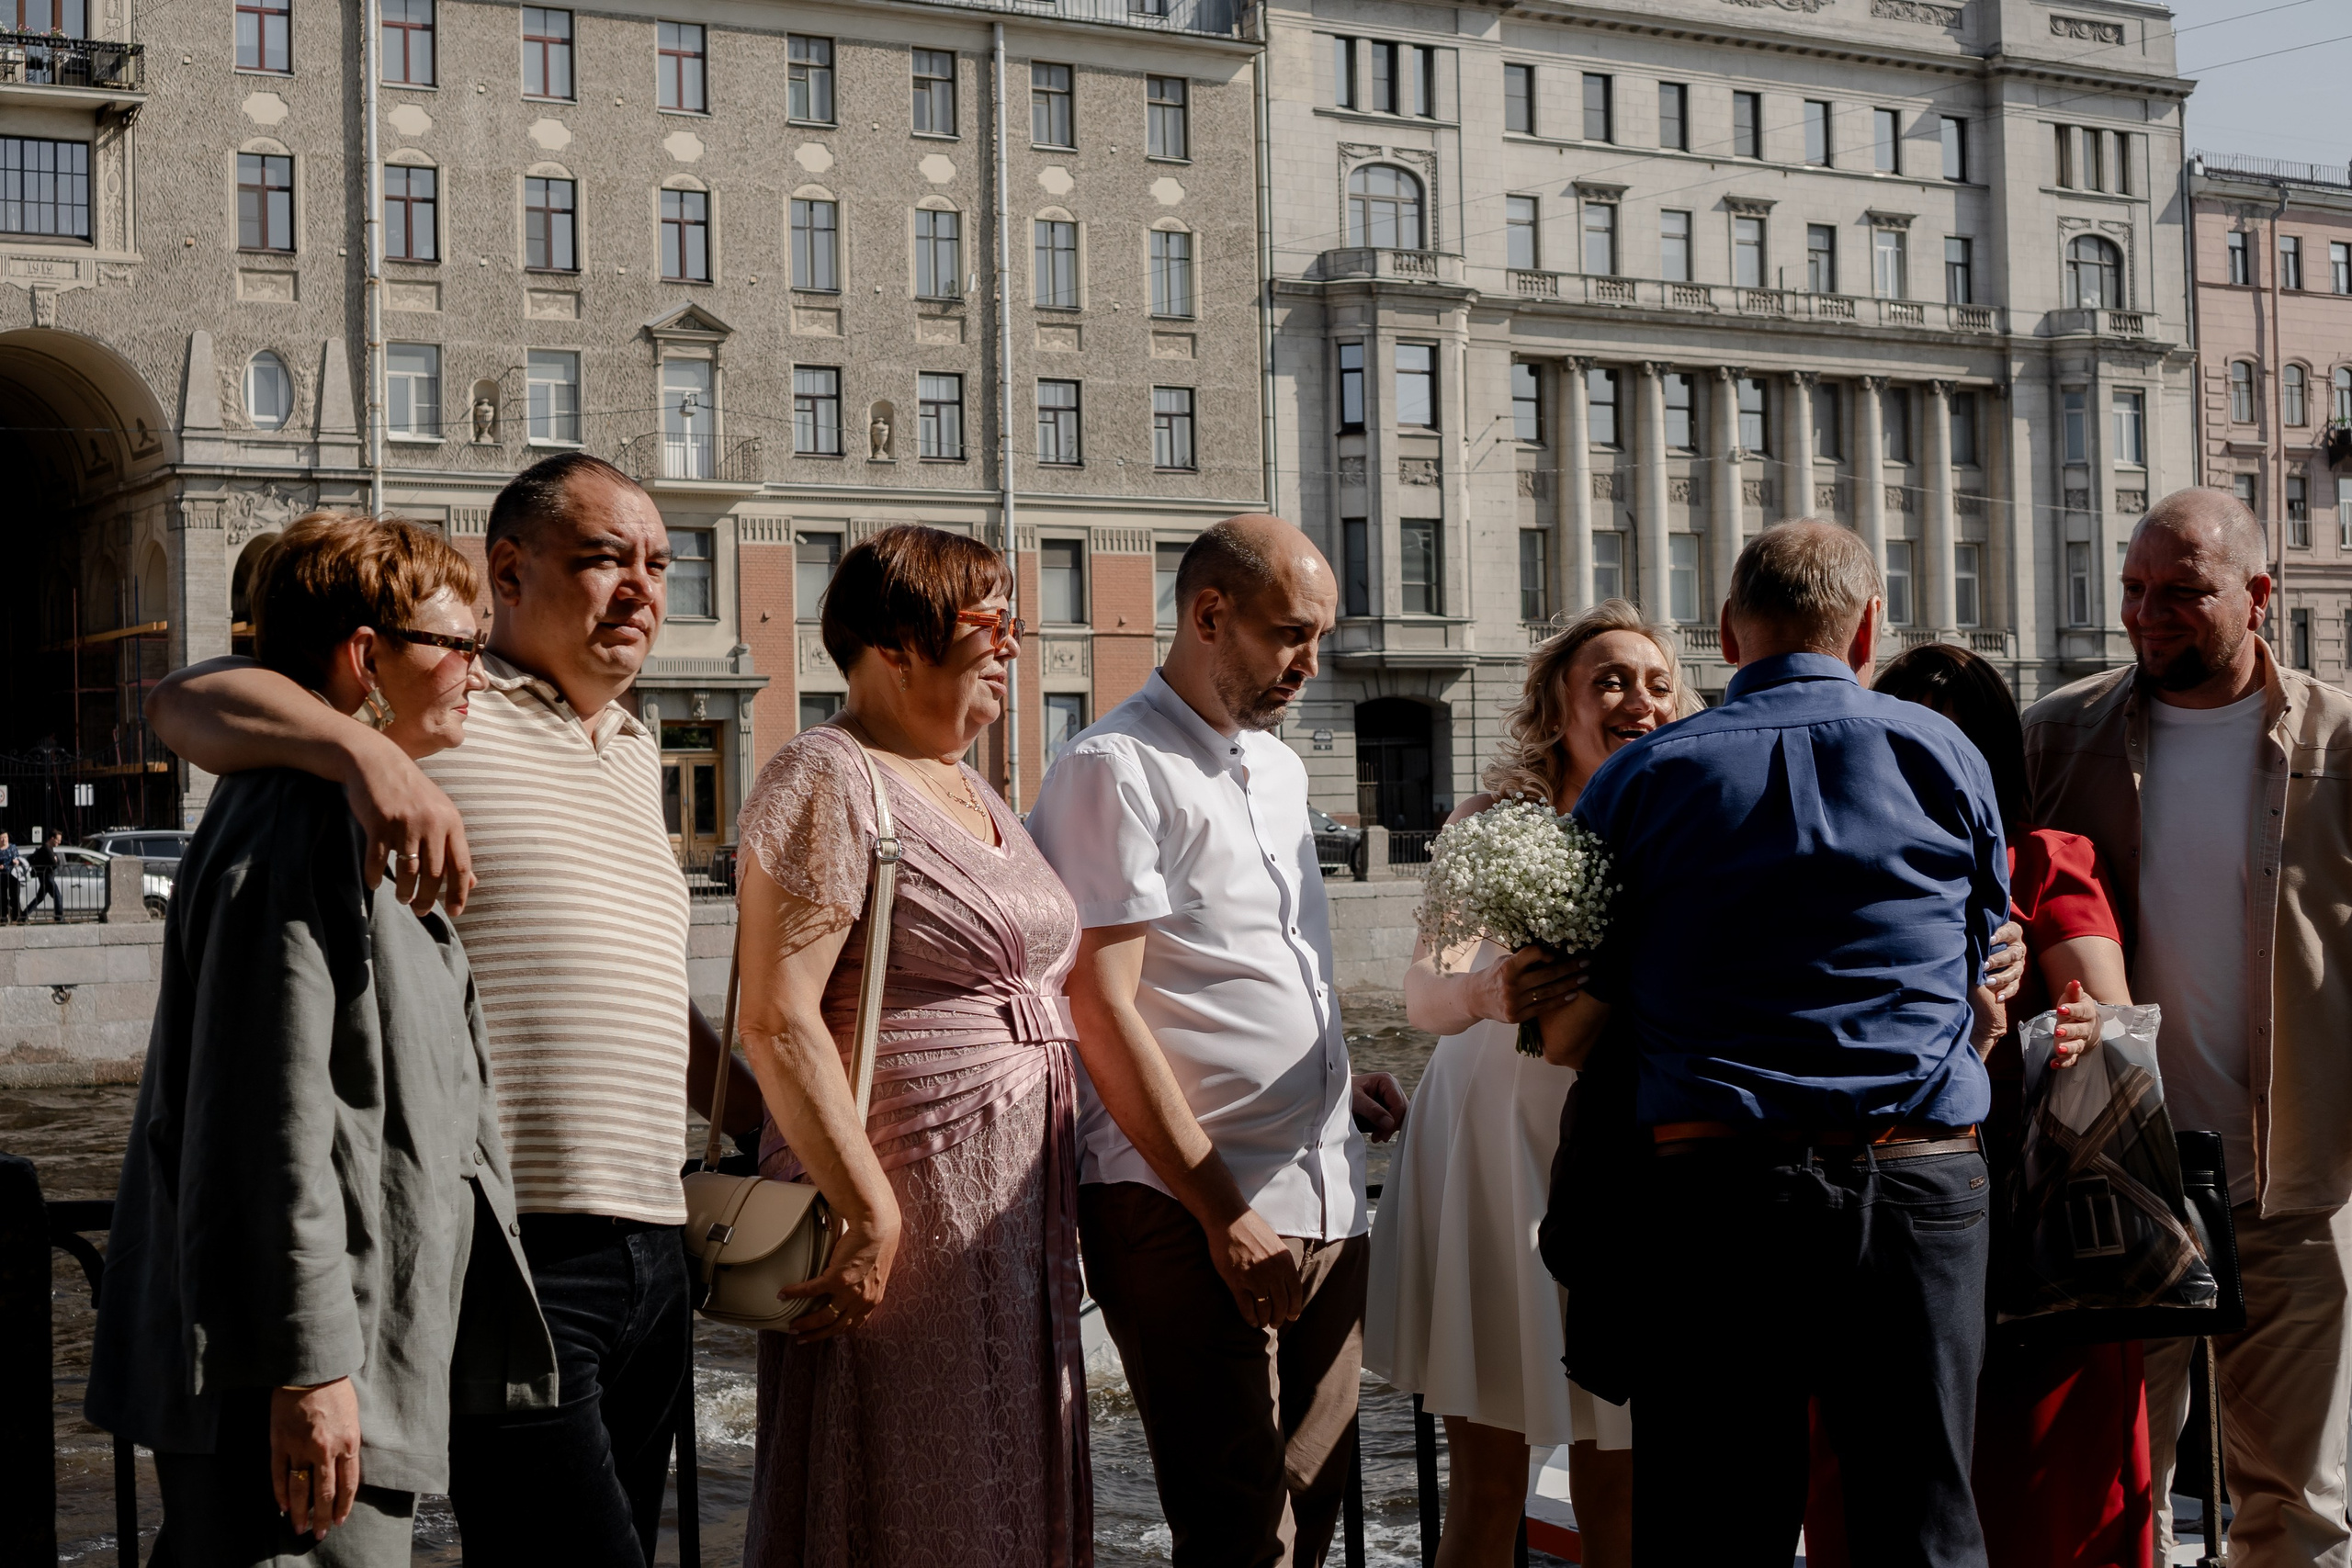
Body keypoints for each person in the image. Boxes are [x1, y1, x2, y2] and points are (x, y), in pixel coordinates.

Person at [142, 452, 756, 1566]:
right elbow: (186, 700)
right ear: (509, 572)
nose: (644, 590)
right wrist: (365, 752)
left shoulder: (630, 749)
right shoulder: (433, 724)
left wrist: (760, 1122)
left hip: (653, 1243)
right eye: (608, 559)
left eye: (661, 565)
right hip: (511, 1250)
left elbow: (638, 991)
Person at [1534, 521, 2020, 1567]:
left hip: (1716, 1194)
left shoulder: (1644, 778)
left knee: (1714, 1531)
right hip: (1918, 1185)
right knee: (1924, 1528)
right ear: (1865, 629)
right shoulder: (1943, 752)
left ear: (1724, 633)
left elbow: (1585, 1003)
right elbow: (1984, 952)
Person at [86, 513, 555, 1566]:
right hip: (291, 1383)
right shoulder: (300, 822)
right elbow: (267, 1128)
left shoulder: (343, 815)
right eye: (458, 647)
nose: (481, 673)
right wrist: (307, 1371)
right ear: (364, 655)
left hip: (346, 1362)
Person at [1029, 514, 1408, 1568]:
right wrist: (1221, 1211)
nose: (1310, 663)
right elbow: (1099, 1009)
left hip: (1327, 1191)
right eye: (1291, 633)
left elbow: (1259, 966)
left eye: (1319, 637)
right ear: (1208, 615)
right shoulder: (1112, 766)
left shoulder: (1278, 772)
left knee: (1310, 1519)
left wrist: (1338, 1080)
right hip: (1191, 1211)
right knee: (1239, 1535)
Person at [733, 525, 1092, 1565]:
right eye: (990, 621)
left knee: (999, 1478)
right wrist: (866, 1208)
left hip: (1011, 1215)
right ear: (897, 639)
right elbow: (779, 1013)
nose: (1012, 646)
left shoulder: (971, 786)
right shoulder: (828, 773)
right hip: (901, 1207)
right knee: (907, 1483)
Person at [2024, 487, 2352, 1568]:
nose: (2147, 613)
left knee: (2296, 1511)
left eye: (2182, 591)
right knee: (2116, 1504)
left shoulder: (2340, 743)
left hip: (2293, 1186)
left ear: (2258, 596)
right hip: (2116, 1182)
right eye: (2132, 590)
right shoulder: (2055, 738)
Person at [1365, 601, 1695, 1568]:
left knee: (1622, 1485)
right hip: (1492, 1148)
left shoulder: (1685, 819)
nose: (1636, 699)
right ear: (1557, 703)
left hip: (1626, 1152)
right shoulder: (1491, 821)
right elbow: (1424, 994)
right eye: (1607, 680)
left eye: (1655, 683)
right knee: (1489, 1485)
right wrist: (1483, 990)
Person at [1805, 642, 2137, 1568]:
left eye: (1947, 748)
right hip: (1872, 1237)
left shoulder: (2038, 862)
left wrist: (2073, 1032)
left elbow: (2109, 1022)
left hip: (2036, 1246)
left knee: (2041, 1510)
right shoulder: (1839, 867)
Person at [25, 828, 62, 920]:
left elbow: (58, 861)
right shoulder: (46, 849)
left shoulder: (49, 848)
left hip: (45, 876)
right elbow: (55, 863)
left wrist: (56, 860)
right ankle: (59, 917)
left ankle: (24, 914)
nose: (59, 842)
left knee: (40, 897)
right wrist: (55, 860)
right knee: (57, 895)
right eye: (58, 840)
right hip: (47, 876)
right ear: (52, 838)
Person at [0, 829, 20, 923]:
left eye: (5, 837)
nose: (4, 840)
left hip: (13, 875)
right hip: (1, 876)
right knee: (2, 897)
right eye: (2, 838)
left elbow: (17, 857)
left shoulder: (12, 847)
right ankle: (3, 916)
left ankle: (15, 917)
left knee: (15, 896)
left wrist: (16, 861)